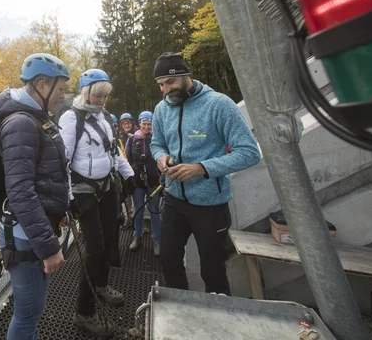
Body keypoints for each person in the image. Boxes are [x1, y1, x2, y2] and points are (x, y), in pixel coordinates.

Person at [150, 52, 260, 295]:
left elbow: (250, 152)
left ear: (186, 75)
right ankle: (181, 310)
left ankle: (219, 322)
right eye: (161, 85)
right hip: (173, 200)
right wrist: (161, 158)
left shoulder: (219, 104)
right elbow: (157, 144)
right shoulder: (161, 109)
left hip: (210, 204)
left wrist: (201, 168)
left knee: (212, 271)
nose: (166, 90)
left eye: (170, 82)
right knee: (168, 260)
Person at [0, 53, 71, 340]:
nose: (62, 96)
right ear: (41, 84)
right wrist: (49, 248)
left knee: (30, 314)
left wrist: (57, 211)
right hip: (26, 236)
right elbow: (21, 192)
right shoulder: (22, 124)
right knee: (27, 317)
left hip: (31, 231)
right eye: (60, 89)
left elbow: (43, 176)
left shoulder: (35, 119)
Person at [59, 69, 135, 337]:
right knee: (95, 246)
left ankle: (101, 284)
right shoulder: (71, 119)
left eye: (106, 96)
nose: (102, 100)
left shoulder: (105, 118)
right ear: (86, 91)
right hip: (83, 191)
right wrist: (69, 198)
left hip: (106, 186)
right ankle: (84, 311)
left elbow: (112, 151)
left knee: (111, 236)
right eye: (98, 95)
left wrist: (129, 175)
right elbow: (63, 162)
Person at [125, 111, 161, 256]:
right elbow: (127, 160)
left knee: (154, 210)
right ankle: (136, 236)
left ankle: (157, 239)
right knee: (138, 209)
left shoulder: (157, 139)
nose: (147, 127)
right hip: (138, 180)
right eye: (144, 124)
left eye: (149, 124)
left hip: (153, 180)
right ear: (139, 124)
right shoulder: (133, 140)